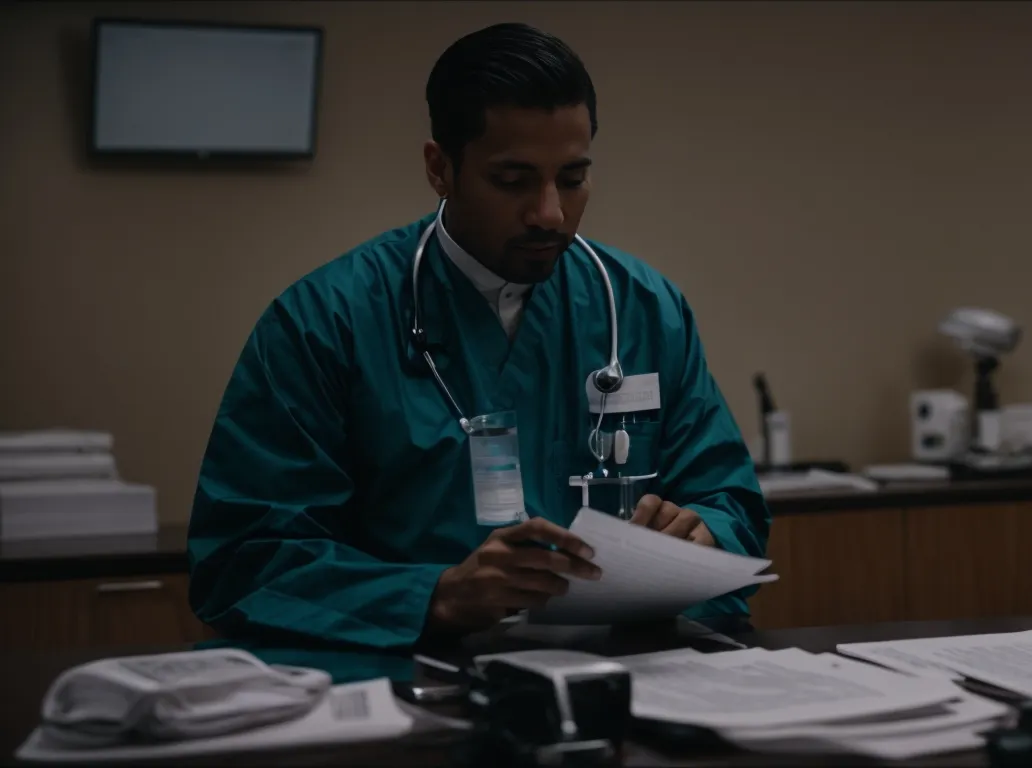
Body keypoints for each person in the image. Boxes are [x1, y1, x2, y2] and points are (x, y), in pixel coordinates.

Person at [186, 23, 769, 650]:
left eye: (571, 179)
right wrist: (437, 596)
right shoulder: (324, 323)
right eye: (513, 181)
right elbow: (247, 561)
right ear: (441, 168)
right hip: (411, 684)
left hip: (629, 679)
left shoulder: (645, 308)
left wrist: (700, 533)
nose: (549, 213)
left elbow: (728, 501)